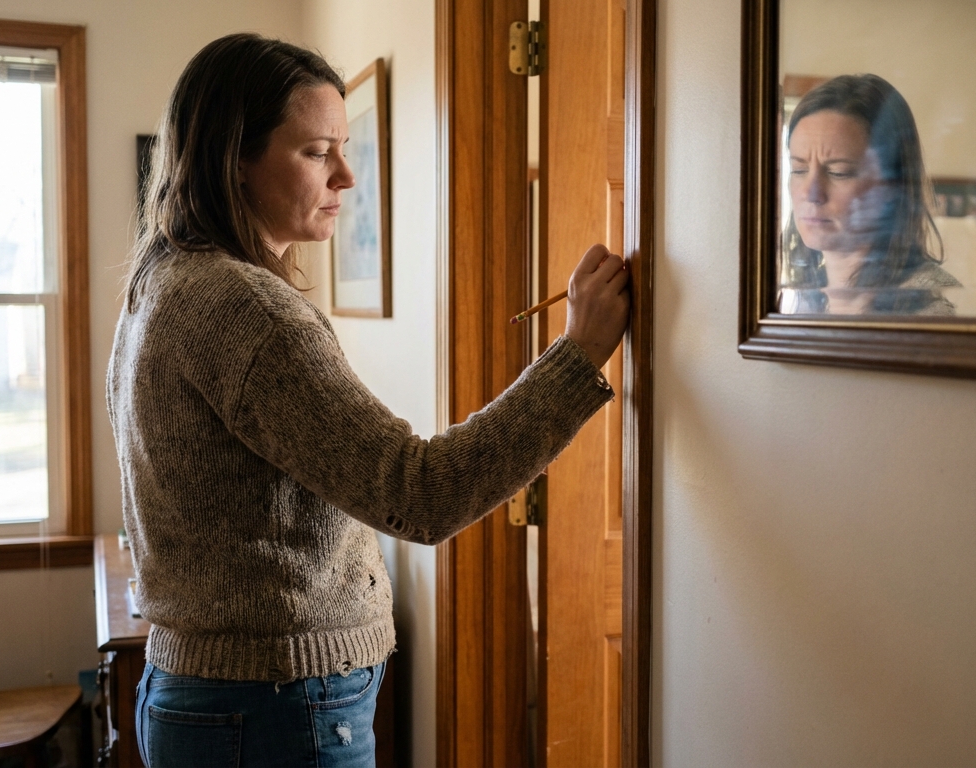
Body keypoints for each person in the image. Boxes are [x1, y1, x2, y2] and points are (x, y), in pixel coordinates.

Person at [107, 34, 628, 767]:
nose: (347, 176)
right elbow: (421, 493)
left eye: (344, 148)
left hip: (215, 695)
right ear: (235, 159)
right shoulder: (244, 307)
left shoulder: (160, 283)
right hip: (275, 708)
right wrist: (576, 359)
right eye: (317, 151)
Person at [778, 73, 958, 316]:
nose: (810, 193)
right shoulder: (794, 301)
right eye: (799, 169)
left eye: (839, 172)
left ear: (892, 186)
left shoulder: (928, 317)